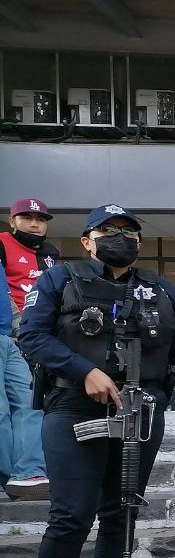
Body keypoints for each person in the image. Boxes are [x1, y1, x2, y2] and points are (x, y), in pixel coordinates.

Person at [18, 204, 175, 558]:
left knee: (122, 514)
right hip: (74, 408)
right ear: (87, 240)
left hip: (143, 412)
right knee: (70, 517)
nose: (120, 237)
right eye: (108, 230)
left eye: (129, 231)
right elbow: (33, 337)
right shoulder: (60, 280)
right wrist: (85, 372)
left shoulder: (160, 289)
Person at [0, 198, 58, 499]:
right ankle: (12, 474)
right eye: (27, 217)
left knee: (31, 404)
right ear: (12, 221)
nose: (35, 223)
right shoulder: (1, 242)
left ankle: (27, 472)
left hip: (37, 333)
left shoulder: (51, 253)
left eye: (40, 218)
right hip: (11, 329)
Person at [0, 288, 47, 500]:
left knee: (32, 403)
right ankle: (8, 476)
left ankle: (27, 472)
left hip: (9, 341)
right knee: (1, 412)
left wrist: (24, 333)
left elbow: (5, 297)